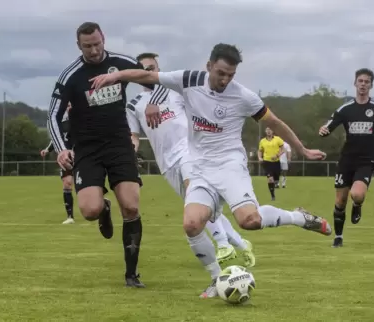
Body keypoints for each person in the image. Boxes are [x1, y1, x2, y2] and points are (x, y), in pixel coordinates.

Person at [91, 43, 332, 298]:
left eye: (231, 74)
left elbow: (276, 123)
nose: (225, 79)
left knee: (249, 221)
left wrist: (302, 150)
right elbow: (148, 76)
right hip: (199, 168)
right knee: (192, 224)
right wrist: (115, 76)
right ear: (208, 67)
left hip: (230, 166)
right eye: (220, 73)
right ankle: (218, 280)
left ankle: (298, 217)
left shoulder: (244, 96)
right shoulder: (189, 80)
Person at [47, 22, 169, 288]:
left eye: (97, 44)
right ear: (79, 46)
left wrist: (153, 101)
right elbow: (52, 116)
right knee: (89, 210)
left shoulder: (121, 63)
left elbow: (159, 80)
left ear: (104, 39)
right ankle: (104, 208)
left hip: (119, 145)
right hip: (87, 149)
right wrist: (61, 148)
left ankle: (131, 275)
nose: (93, 50)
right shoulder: (71, 75)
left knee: (132, 206)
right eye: (87, 46)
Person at [127, 52, 256, 266]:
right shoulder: (133, 105)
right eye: (146, 69)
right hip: (166, 163)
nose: (151, 72)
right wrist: (131, 151)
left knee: (194, 197)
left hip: (190, 153)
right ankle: (242, 244)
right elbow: (133, 136)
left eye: (154, 68)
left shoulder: (175, 91)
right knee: (201, 209)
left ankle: (223, 244)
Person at [319, 68, 374, 248]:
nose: (363, 85)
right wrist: (324, 131)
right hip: (347, 159)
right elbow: (330, 125)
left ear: (371, 86)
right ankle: (339, 237)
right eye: (360, 81)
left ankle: (358, 205)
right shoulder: (346, 109)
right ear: (355, 83)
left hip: (367, 160)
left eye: (367, 82)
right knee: (340, 201)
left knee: (357, 194)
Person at [41, 103, 77, 224]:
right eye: (66, 105)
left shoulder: (80, 118)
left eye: (70, 104)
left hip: (81, 155)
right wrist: (47, 149)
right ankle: (70, 216)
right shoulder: (59, 121)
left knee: (84, 185)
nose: (68, 107)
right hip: (65, 156)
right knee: (67, 184)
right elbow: (56, 138)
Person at [258, 127, 284, 200]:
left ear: (273, 131)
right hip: (267, 162)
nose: (269, 131)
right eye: (267, 130)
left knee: (276, 179)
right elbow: (260, 150)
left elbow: (283, 149)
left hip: (276, 162)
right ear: (265, 131)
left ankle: (275, 183)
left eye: (270, 130)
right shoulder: (262, 141)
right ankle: (272, 196)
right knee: (270, 179)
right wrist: (260, 157)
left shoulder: (278, 139)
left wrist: (277, 155)